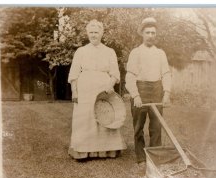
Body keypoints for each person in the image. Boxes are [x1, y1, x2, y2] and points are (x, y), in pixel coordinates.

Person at [67, 19, 126, 159]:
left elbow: (115, 73)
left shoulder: (109, 51)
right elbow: (74, 74)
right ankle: (83, 151)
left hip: (103, 88)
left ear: (102, 33)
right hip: (84, 89)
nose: (94, 35)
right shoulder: (81, 51)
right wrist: (75, 91)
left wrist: (110, 85)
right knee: (85, 119)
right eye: (91, 32)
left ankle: (107, 150)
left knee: (104, 116)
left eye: (96, 32)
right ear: (87, 33)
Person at [125, 17, 172, 165]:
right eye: (148, 32)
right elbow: (130, 76)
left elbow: (166, 74)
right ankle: (141, 157)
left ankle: (154, 157)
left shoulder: (160, 53)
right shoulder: (135, 52)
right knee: (138, 125)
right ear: (142, 33)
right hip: (140, 89)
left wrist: (167, 93)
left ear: (156, 35)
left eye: (153, 33)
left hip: (157, 89)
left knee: (156, 126)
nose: (151, 35)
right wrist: (136, 95)